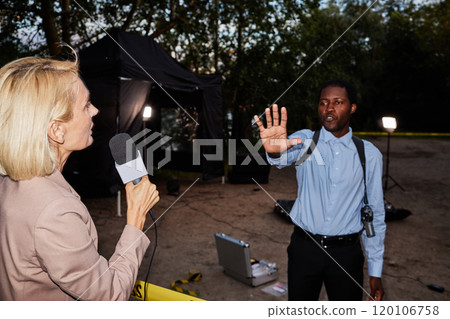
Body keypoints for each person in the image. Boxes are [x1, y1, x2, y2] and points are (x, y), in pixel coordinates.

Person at [0, 55, 159, 300]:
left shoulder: (8, 185)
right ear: (56, 130)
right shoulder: (55, 211)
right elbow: (110, 297)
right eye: (85, 105)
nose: (95, 110)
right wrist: (136, 217)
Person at [253, 80, 386, 301]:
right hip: (304, 250)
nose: (329, 108)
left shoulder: (368, 155)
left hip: (347, 255)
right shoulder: (306, 141)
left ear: (352, 108)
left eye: (338, 102)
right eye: (323, 102)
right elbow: (281, 158)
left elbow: (375, 215)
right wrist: (274, 151)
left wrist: (375, 270)